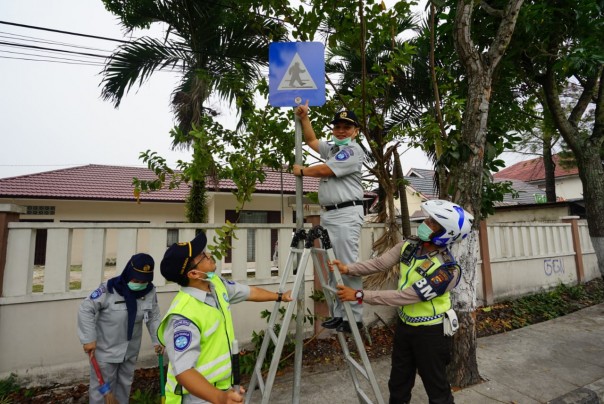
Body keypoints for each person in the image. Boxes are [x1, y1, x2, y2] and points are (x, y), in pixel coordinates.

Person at [330, 200, 474, 404]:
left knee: (437, 390)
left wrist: (360, 295)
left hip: (431, 333)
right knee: (398, 383)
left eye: (432, 222)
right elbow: (380, 263)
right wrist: (348, 269)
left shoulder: (448, 271)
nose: (425, 223)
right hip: (405, 326)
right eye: (428, 218)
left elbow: (405, 296)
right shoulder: (410, 246)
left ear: (445, 233)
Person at [158, 232, 293, 404]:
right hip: (197, 398)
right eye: (202, 256)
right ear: (193, 274)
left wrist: (279, 297)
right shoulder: (183, 316)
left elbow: (248, 292)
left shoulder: (215, 285)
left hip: (220, 388)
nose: (209, 255)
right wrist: (220, 397)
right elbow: (184, 371)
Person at [293, 101, 365, 333]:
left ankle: (354, 317)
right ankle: (339, 314)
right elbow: (312, 141)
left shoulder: (353, 151)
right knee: (334, 266)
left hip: (346, 213)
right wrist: (305, 118)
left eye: (347, 126)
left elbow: (326, 170)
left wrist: (302, 171)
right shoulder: (334, 149)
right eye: (338, 127)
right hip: (331, 215)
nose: (341, 130)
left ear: (355, 131)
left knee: (346, 266)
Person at [77, 253, 162, 404]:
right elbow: (86, 309)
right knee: (101, 393)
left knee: (124, 387)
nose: (140, 283)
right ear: (129, 272)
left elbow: (153, 316)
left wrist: (158, 340)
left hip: (129, 351)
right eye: (136, 279)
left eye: (144, 280)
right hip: (106, 350)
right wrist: (88, 338)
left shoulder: (149, 291)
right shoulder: (109, 289)